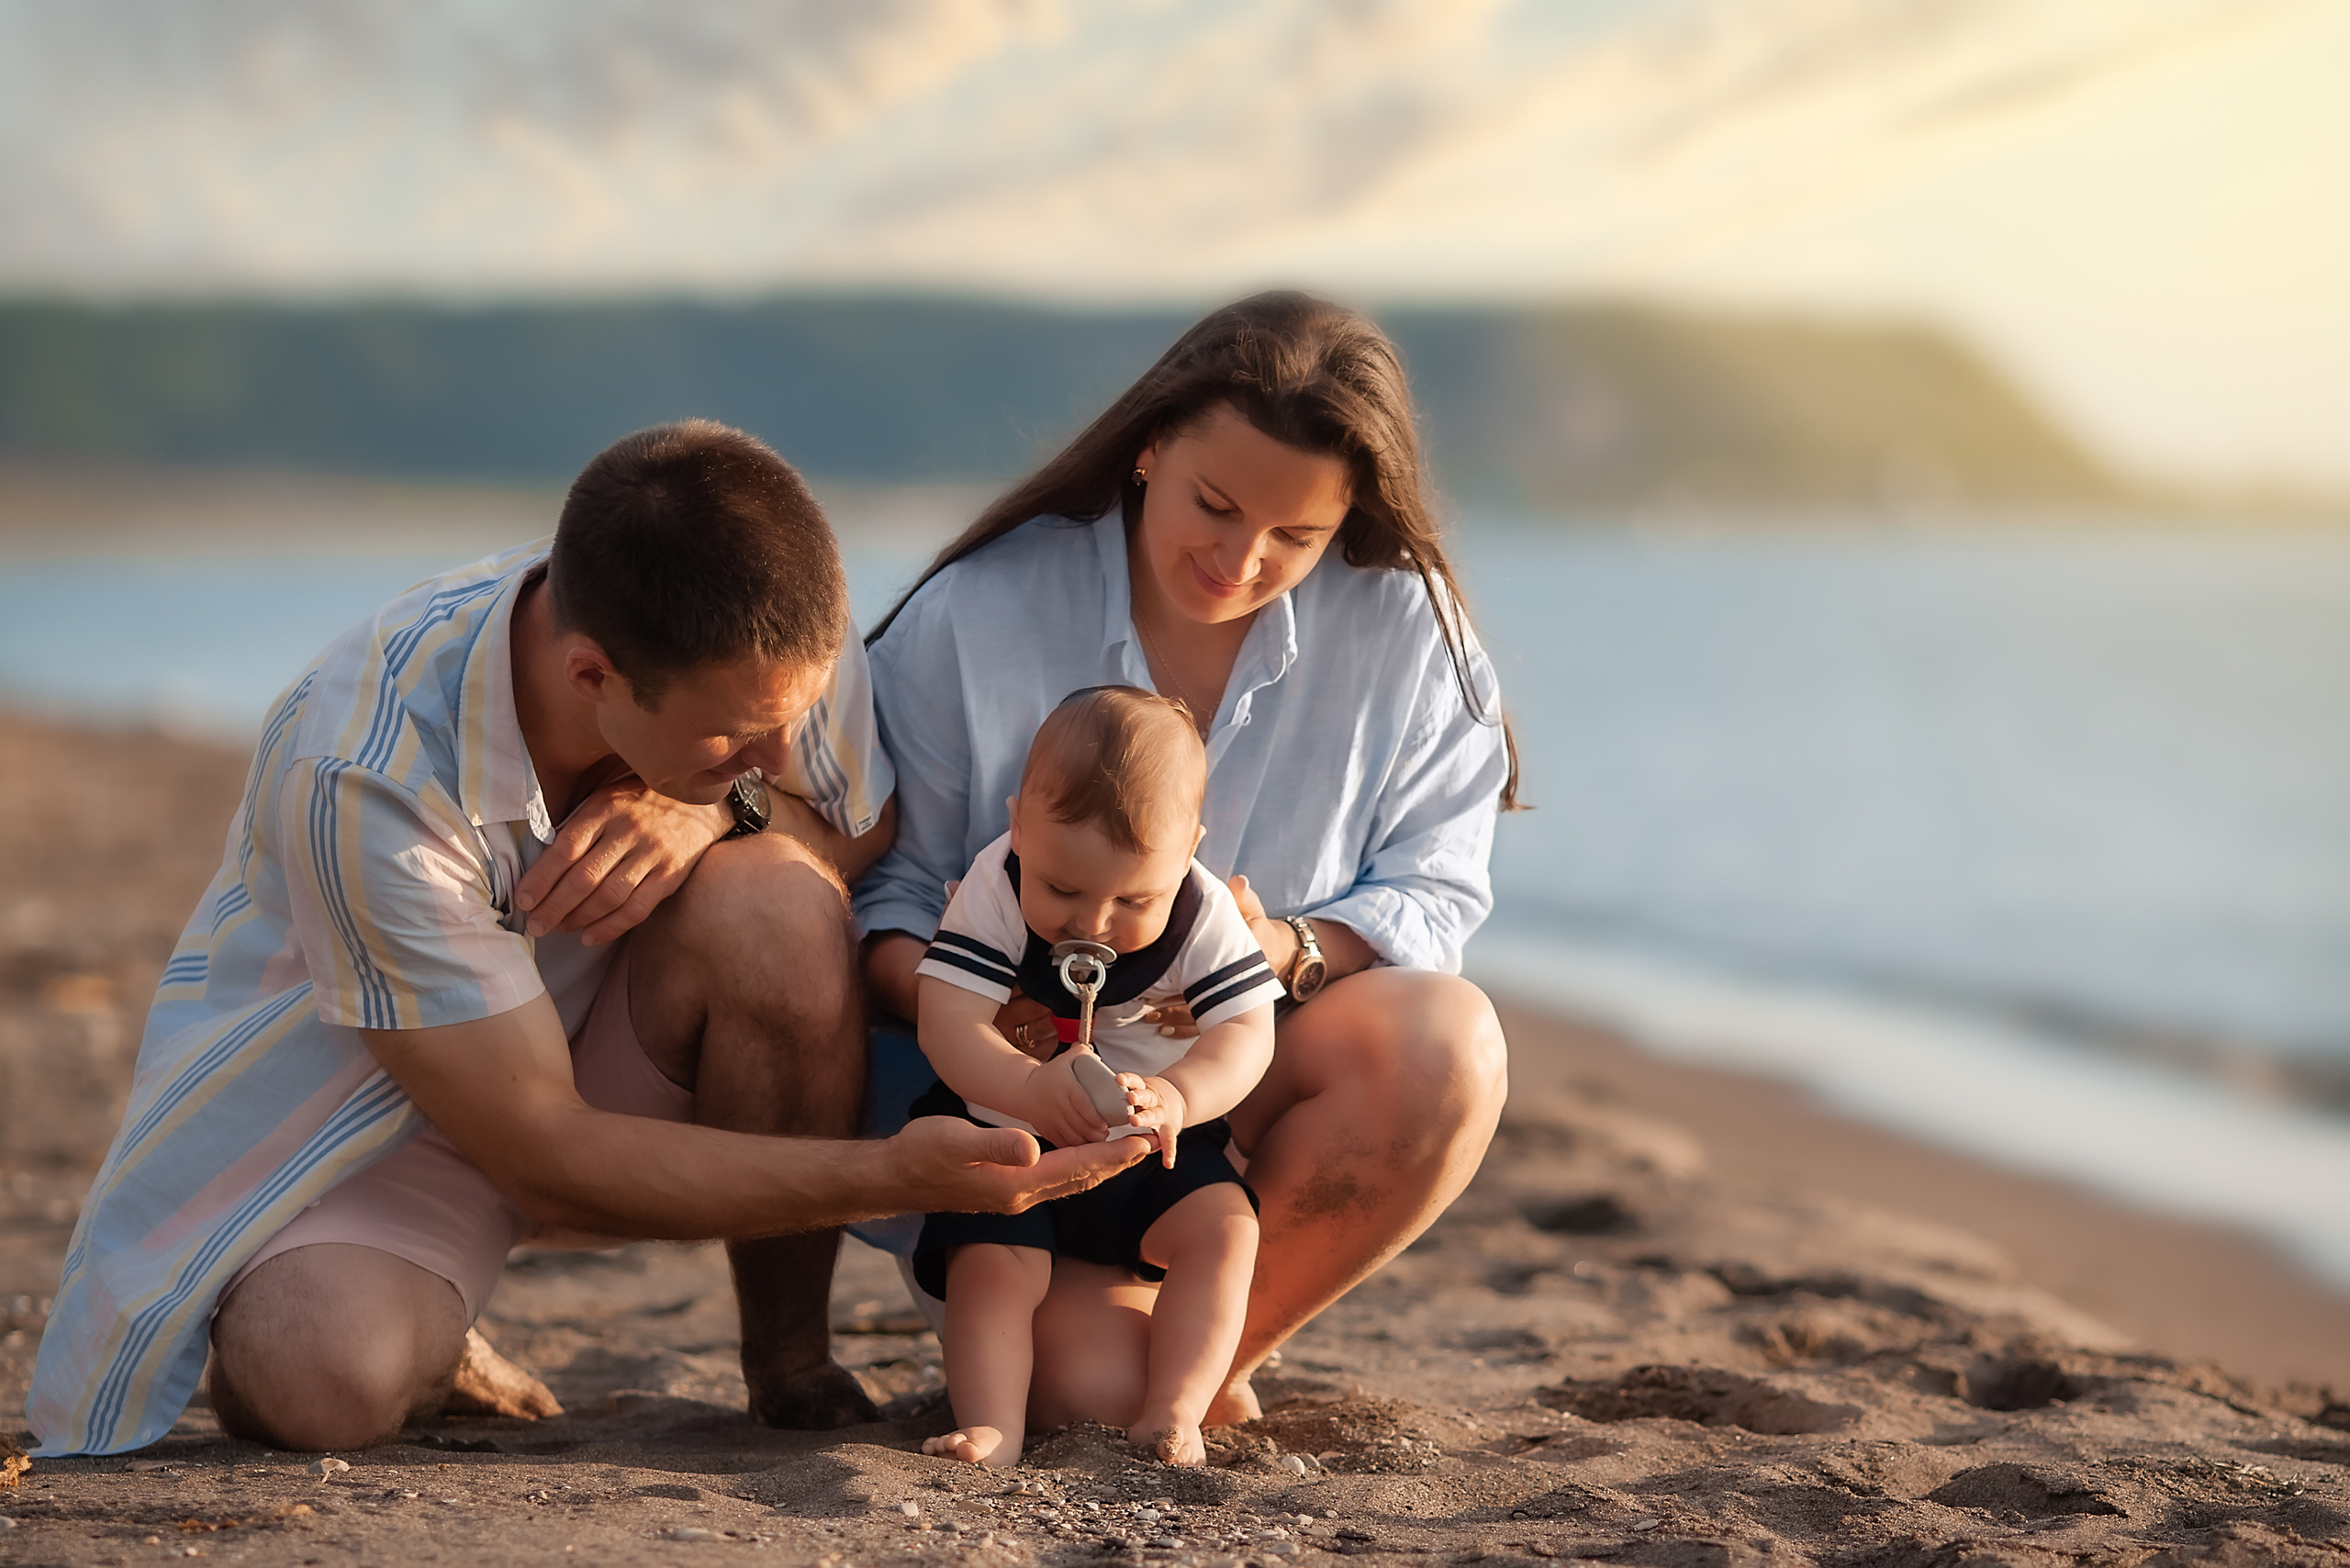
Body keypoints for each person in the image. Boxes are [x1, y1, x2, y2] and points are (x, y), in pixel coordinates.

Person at [28, 420, 1145, 1458]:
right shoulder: (368, 771)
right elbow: (536, 1143)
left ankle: (790, 1360)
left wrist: (713, 805)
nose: (770, 757)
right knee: (314, 1378)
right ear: (591, 676)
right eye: (729, 740)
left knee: (781, 895)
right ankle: (420, 1317)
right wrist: (890, 1177)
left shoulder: (765, 625)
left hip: (609, 1037)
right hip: (380, 1120)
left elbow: (856, 822)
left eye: (782, 726)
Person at [857, 292, 1516, 1428]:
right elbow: (884, 888)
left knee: (1451, 1042)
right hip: (1014, 1107)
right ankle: (1131, 1358)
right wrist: (988, 1022)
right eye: (1213, 504)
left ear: (1347, 515)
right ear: (1149, 447)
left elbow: (1436, 886)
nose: (1239, 557)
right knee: (1085, 1398)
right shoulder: (980, 610)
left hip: (1241, 1086)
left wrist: (1287, 953)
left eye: (1294, 537)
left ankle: (1219, 1350)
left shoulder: (1410, 634)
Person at [911, 688, 1283, 1467]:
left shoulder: (1201, 908)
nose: (1094, 922)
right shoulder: (996, 884)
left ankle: (1176, 1410)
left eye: (1133, 898)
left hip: (1149, 1144)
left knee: (1226, 1229)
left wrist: (1182, 1094)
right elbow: (946, 1019)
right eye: (1064, 890)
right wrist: (1023, 1086)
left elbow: (1248, 1033)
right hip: (1013, 1137)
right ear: (1018, 826)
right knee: (989, 1265)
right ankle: (993, 1427)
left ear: (1188, 852)